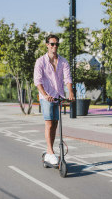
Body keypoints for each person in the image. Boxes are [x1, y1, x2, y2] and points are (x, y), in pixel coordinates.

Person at [34, 34, 75, 165]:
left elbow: (67, 78)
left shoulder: (63, 61)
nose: (55, 46)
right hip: (46, 97)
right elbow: (37, 81)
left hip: (58, 97)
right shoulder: (40, 61)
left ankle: (48, 153)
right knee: (49, 123)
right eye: (52, 44)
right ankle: (51, 152)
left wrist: (71, 93)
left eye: (57, 44)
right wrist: (45, 95)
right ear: (47, 45)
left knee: (55, 124)